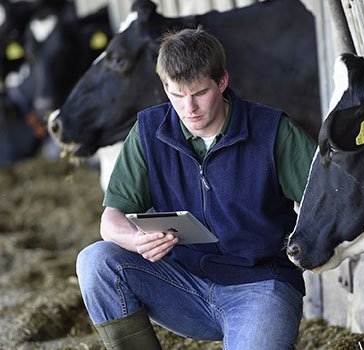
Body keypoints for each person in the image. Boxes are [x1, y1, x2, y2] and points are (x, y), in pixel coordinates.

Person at [76, 27, 317, 350]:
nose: (189, 108)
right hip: (182, 283)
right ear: (165, 86)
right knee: (96, 261)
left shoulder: (273, 132)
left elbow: (325, 202)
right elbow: (111, 220)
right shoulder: (149, 131)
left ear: (222, 81)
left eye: (200, 93)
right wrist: (137, 240)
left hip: (260, 286)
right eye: (177, 95)